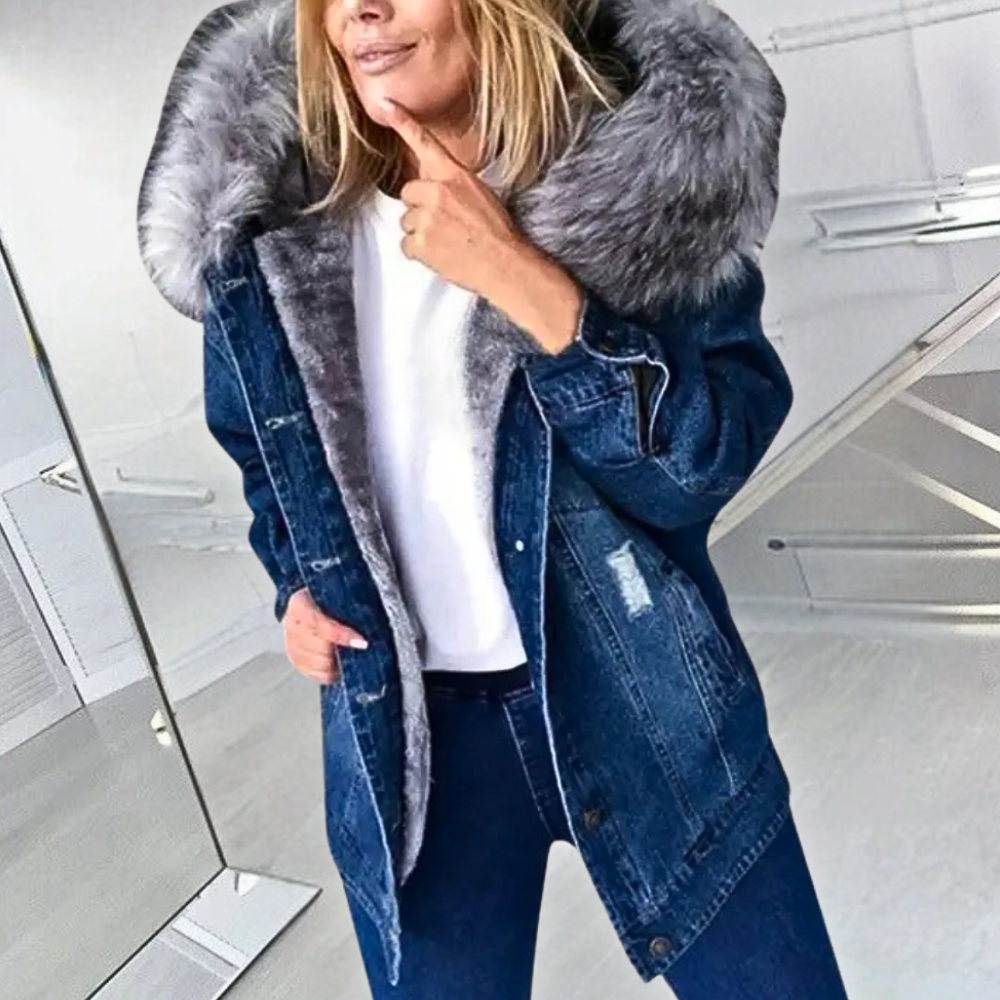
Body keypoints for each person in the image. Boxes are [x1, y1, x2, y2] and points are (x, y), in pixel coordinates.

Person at [137, 0, 851, 997]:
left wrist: (526, 281)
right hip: (414, 748)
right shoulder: (271, 234)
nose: (363, 10)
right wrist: (297, 584)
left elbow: (700, 468)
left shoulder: (646, 189)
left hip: (646, 703)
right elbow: (264, 448)